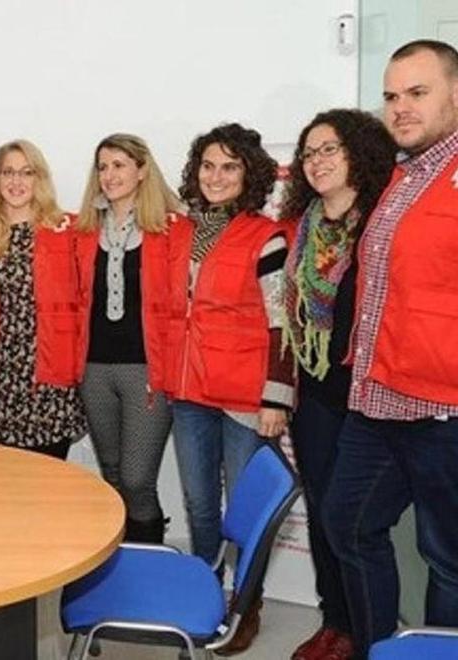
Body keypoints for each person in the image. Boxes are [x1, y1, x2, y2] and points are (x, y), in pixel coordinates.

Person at [322, 39, 458, 658]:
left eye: (418, 93)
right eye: (391, 95)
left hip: (442, 411)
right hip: (376, 399)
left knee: (449, 561)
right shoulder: (404, 175)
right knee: (347, 525)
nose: (401, 107)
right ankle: (381, 648)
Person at [165, 122, 292, 654]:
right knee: (198, 504)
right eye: (209, 165)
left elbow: (282, 321)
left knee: (245, 510)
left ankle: (248, 602)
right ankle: (206, 594)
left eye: (230, 167)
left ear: (250, 175)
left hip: (245, 396)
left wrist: (276, 398)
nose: (216, 176)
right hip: (188, 389)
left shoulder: (267, 236)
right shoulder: (179, 231)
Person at [280, 110, 397, 660]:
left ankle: (366, 633)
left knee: (354, 524)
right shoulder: (304, 227)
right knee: (326, 514)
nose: (317, 161)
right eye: (309, 153)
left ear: (358, 153)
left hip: (369, 399)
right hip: (316, 397)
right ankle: (336, 623)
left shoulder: (380, 223)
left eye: (329, 149)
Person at [73, 133, 183, 543]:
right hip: (95, 369)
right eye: (103, 166)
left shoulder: (169, 228)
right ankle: (123, 568)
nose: (109, 175)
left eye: (119, 165)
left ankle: (149, 558)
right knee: (115, 477)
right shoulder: (85, 230)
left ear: (141, 170)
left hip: (146, 370)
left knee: (138, 480)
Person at [0, 139, 87, 458]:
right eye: (7, 172)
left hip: (51, 379)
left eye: (26, 172)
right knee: (10, 491)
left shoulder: (66, 228)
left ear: (40, 178)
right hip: (5, 379)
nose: (16, 181)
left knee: (51, 489)